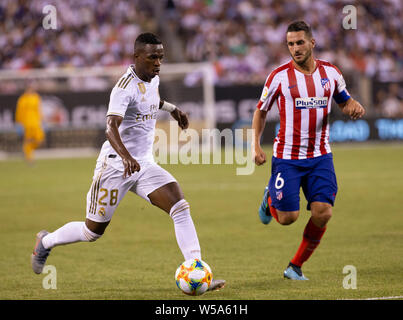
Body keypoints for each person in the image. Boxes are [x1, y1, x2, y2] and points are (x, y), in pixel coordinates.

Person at [31, 33, 225, 291]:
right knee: (92, 232)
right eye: (152, 57)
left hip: (142, 164)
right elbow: (110, 127)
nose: (158, 63)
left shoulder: (151, 78)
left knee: (180, 207)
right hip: (114, 165)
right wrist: (126, 157)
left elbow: (152, 100)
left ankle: (197, 271)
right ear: (136, 58)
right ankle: (46, 241)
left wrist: (173, 110)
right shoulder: (123, 87)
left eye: (161, 57)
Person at [252, 21, 365, 280]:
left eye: (300, 42)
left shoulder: (331, 74)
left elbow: (344, 102)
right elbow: (261, 111)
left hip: (320, 156)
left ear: (312, 43)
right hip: (287, 158)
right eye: (290, 44)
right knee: (288, 217)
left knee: (323, 212)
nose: (295, 48)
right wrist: (255, 145)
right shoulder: (279, 76)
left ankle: (295, 266)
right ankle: (270, 199)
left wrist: (354, 107)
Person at [15, 83, 45, 163]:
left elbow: (39, 109)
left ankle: (26, 150)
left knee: (40, 139)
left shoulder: (36, 97)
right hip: (27, 122)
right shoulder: (22, 99)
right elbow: (19, 111)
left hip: (36, 122)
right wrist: (19, 122)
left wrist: (42, 118)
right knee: (28, 139)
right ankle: (29, 157)